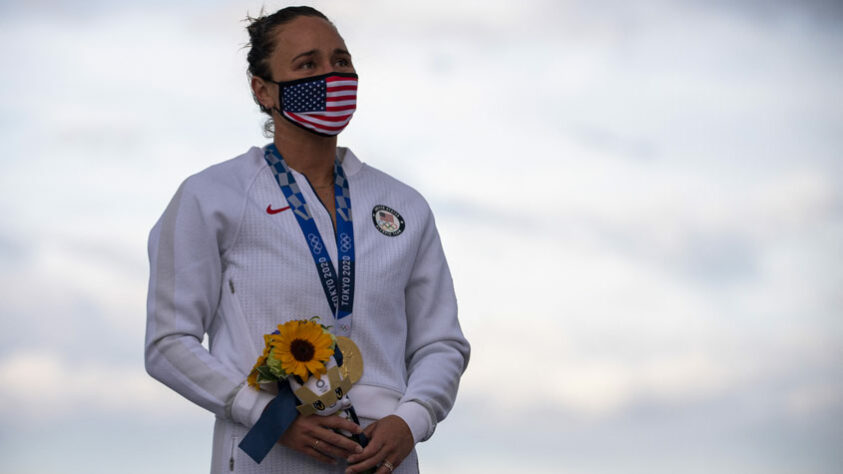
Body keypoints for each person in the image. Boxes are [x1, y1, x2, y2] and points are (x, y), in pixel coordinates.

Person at [144, 6, 470, 474]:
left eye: (341, 61)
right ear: (262, 89)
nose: (331, 75)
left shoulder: (404, 204)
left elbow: (441, 343)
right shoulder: (211, 196)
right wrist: (264, 414)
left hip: (383, 459)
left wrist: (411, 419)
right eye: (307, 65)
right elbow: (168, 343)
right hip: (270, 453)